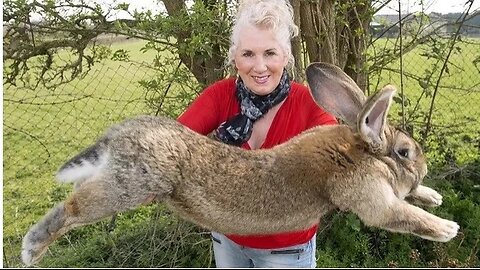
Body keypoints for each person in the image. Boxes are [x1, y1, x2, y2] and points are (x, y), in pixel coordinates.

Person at [177, 0, 337, 267]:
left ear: (286, 56)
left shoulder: (309, 104)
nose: (259, 67)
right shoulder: (220, 96)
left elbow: (337, 161)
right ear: (235, 57)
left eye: (270, 53)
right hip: (227, 240)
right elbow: (170, 142)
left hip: (287, 251)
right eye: (248, 54)